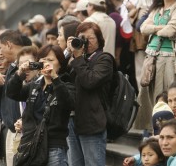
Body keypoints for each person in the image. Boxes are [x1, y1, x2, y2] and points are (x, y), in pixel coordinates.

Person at [7, 44, 75, 166]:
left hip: (53, 146)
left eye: (50, 60)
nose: (45, 63)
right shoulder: (34, 86)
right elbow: (12, 93)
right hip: (30, 145)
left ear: (60, 64)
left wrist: (54, 77)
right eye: (42, 60)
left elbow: (69, 103)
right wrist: (20, 73)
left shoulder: (66, 84)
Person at [135, 0, 176, 131]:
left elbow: (171, 31)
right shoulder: (156, 9)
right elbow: (142, 28)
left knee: (166, 95)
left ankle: (168, 130)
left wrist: (153, 29)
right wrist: (160, 27)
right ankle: (151, 130)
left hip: (169, 58)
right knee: (149, 97)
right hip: (151, 59)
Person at [69, 22, 114, 166]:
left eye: (91, 38)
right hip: (73, 121)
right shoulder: (78, 59)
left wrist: (78, 59)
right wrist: (68, 52)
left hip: (92, 123)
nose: (86, 41)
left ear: (100, 40)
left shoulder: (104, 58)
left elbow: (90, 81)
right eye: (82, 38)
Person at [0, 30, 31, 166]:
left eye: (0, 49)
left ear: (8, 45)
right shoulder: (11, 68)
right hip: (12, 131)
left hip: (28, 130)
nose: (1, 60)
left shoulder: (25, 64)